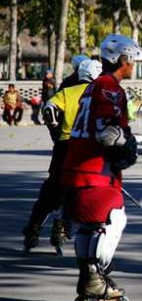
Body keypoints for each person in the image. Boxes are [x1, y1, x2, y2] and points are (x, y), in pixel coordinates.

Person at [61, 34, 140, 301]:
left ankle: (88, 279)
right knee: (113, 220)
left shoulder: (93, 85)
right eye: (132, 59)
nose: (134, 64)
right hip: (96, 170)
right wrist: (127, 143)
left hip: (77, 167)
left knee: (89, 227)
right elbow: (106, 133)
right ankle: (96, 278)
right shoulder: (110, 87)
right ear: (123, 59)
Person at [22, 59, 102, 255]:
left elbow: (48, 109)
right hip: (86, 148)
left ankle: (33, 227)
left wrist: (56, 132)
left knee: (52, 188)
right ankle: (61, 227)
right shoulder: (98, 94)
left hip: (64, 145)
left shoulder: (68, 91)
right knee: (76, 190)